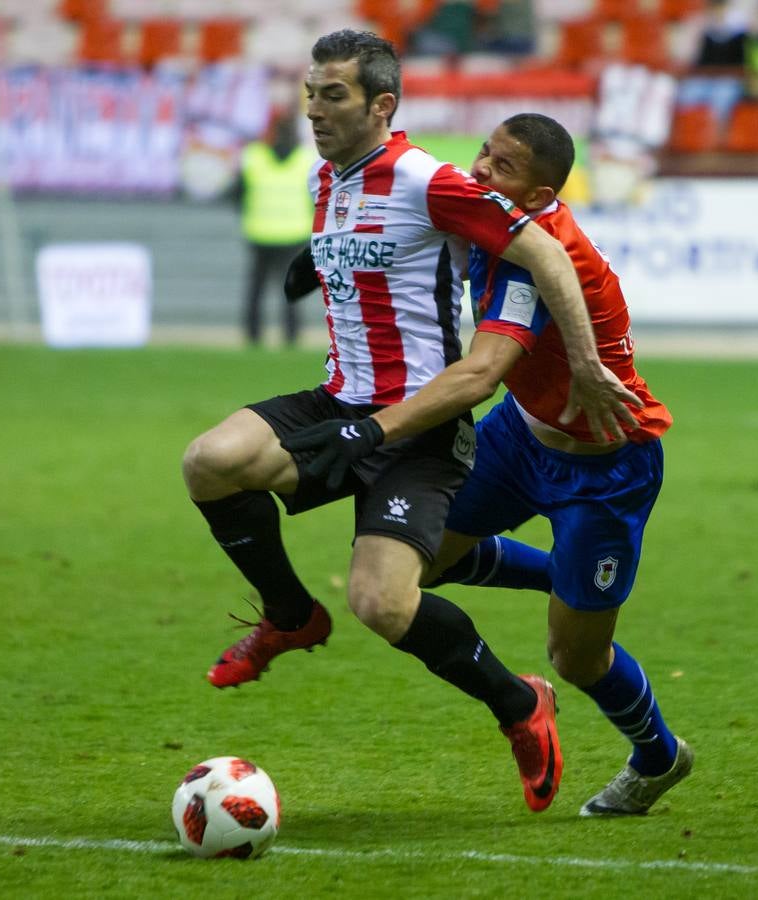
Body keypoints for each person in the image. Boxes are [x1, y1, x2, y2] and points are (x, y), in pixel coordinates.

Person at [181, 29, 640, 814]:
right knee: (210, 461)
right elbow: (380, 245)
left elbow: (548, 255)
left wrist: (591, 361)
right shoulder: (333, 176)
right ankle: (290, 617)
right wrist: (314, 252)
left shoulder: (426, 178)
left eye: (334, 96)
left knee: (384, 605)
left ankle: (519, 704)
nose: (315, 110)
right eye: (311, 94)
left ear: (380, 104)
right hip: (338, 401)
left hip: (417, 426)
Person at [283, 113, 692, 817]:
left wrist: (368, 432)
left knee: (576, 660)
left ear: (535, 198)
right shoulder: (492, 216)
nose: (478, 171)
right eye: (482, 152)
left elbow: (480, 375)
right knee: (417, 568)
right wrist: (326, 250)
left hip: (605, 463)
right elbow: (413, 215)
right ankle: (557, 576)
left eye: (501, 168)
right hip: (517, 439)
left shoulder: (541, 255)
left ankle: (657, 757)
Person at [233, 110, 315, 345]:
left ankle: (253, 334)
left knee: (256, 288)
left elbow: (238, 194)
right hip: (294, 232)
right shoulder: (305, 159)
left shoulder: (253, 156)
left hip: (260, 231)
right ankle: (291, 335)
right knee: (291, 289)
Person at [675, 0, 749, 124]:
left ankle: (713, 136)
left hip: (728, 79)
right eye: (716, 8)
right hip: (704, 78)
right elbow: (693, 59)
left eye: (722, 7)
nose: (719, 11)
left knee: (722, 98)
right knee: (687, 94)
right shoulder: (703, 28)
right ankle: (689, 131)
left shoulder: (740, 31)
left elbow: (742, 62)